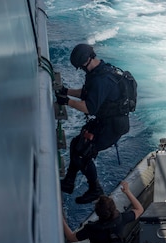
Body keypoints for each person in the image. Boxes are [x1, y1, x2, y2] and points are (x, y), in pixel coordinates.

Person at [56, 43, 131, 204]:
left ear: (86, 61)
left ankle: (95, 189)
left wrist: (67, 101)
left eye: (81, 66)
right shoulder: (100, 71)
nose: (81, 69)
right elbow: (88, 93)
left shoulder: (102, 79)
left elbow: (89, 107)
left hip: (112, 127)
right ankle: (69, 181)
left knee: (84, 152)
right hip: (106, 121)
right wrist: (67, 92)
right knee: (77, 143)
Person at [62, 181, 144, 243]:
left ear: (97, 212)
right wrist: (127, 191)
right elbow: (139, 209)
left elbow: (71, 237)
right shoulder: (121, 219)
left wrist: (62, 219)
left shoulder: (91, 228)